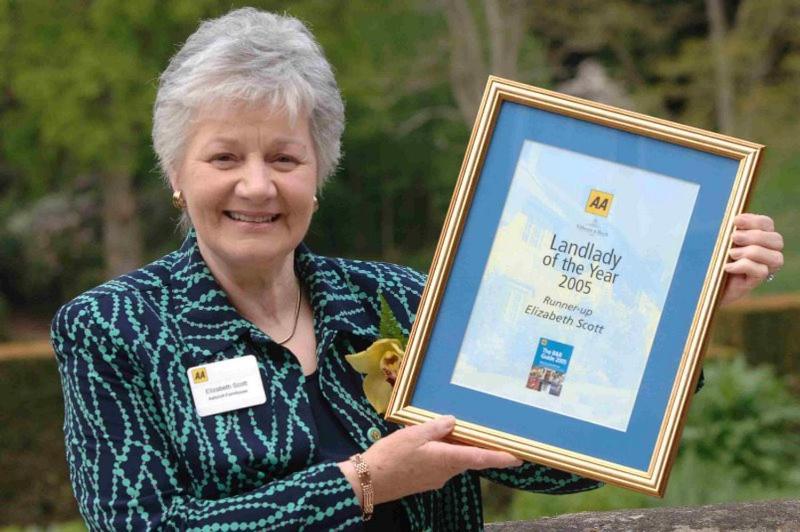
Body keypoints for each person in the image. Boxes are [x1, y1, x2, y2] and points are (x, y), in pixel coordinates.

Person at [50, 7, 785, 531]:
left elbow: (556, 463)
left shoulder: (395, 300)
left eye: (284, 157)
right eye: (223, 157)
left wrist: (681, 302)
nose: (256, 186)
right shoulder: (113, 330)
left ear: (319, 171)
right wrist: (363, 483)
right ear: (175, 172)